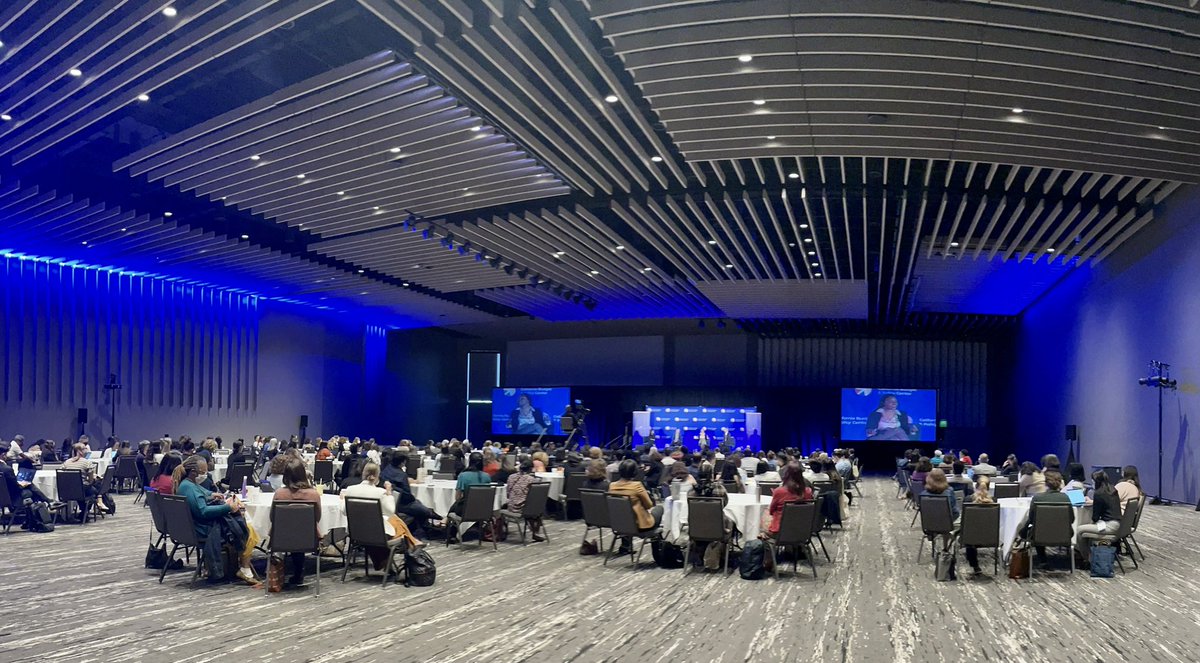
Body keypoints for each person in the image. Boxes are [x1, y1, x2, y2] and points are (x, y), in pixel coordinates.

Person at [173, 455, 256, 585]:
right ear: (194, 472)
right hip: (202, 530)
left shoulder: (187, 485)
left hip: (191, 528)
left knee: (240, 526)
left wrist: (212, 495)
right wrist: (227, 507)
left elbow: (203, 493)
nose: (205, 474)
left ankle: (241, 566)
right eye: (203, 472)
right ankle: (245, 568)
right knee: (247, 528)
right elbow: (203, 511)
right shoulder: (189, 488)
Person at [342, 462, 422, 555]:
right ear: (377, 476)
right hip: (376, 535)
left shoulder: (350, 489)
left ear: (363, 473)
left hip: (355, 534)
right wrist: (389, 493)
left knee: (395, 523)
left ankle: (412, 542)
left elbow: (344, 511)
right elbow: (391, 512)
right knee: (395, 521)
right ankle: (413, 543)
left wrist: (341, 499)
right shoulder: (380, 492)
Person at [273, 456, 321, 586]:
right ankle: (299, 571)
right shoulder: (314, 495)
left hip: (281, 537)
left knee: (291, 531)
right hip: (308, 538)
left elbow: (273, 519)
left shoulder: (279, 494)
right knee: (300, 531)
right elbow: (317, 518)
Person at [608, 459, 663, 552]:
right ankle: (658, 547)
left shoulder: (612, 486)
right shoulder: (637, 486)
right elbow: (649, 505)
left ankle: (625, 545)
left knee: (625, 512)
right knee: (659, 509)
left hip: (620, 524)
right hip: (639, 525)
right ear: (635, 472)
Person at [1076, 470, 1121, 562]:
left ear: (1096, 482)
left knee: (1079, 530)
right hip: (1118, 524)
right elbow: (1108, 503)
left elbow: (1095, 517)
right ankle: (1089, 555)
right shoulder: (1112, 489)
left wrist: (1095, 502)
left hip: (1109, 526)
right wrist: (1094, 502)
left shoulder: (1098, 493)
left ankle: (1087, 558)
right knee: (1086, 530)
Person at [765, 462, 812, 537]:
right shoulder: (808, 491)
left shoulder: (779, 491)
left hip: (780, 531)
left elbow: (771, 511)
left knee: (762, 518)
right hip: (803, 530)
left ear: (786, 474)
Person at [61, 442, 109, 516]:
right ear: (80, 451)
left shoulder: (66, 462)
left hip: (67, 491)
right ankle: (86, 510)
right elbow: (90, 481)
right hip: (82, 489)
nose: (87, 450)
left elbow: (62, 474)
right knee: (95, 489)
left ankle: (85, 511)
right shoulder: (87, 463)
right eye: (85, 448)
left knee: (86, 489)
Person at [504, 458, 545, 541]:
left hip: (512, 507)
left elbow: (508, 494)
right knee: (536, 506)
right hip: (525, 509)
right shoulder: (532, 480)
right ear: (531, 469)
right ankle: (535, 531)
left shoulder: (511, 477)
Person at [962, 477, 994, 574]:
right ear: (988, 488)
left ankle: (974, 565)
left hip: (971, 538)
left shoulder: (968, 499)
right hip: (991, 536)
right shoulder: (994, 501)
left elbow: (965, 520)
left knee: (969, 530)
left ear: (975, 486)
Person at [451, 453, 492, 517]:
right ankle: (445, 520)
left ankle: (445, 519)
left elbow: (457, 497)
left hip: (466, 510)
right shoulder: (487, 476)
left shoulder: (463, 476)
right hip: (483, 509)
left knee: (458, 503)